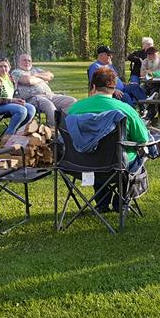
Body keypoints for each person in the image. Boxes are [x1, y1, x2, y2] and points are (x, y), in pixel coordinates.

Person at [66, 68, 153, 213]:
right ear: (114, 88)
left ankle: (102, 202)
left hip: (80, 164)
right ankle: (121, 201)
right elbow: (142, 139)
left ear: (93, 86)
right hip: (117, 165)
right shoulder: (125, 109)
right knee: (136, 155)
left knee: (99, 155)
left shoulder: (73, 109)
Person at [11, 54, 77, 128]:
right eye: (24, 60)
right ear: (19, 62)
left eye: (29, 61)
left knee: (71, 101)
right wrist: (43, 78)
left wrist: (36, 75)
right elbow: (28, 80)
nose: (27, 62)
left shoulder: (36, 70)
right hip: (33, 98)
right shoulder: (16, 72)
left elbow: (50, 75)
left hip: (50, 95)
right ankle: (56, 128)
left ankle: (68, 124)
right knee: (48, 104)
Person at [0, 58, 37, 135]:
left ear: (9, 68)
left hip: (8, 104)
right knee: (21, 110)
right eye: (0, 66)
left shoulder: (11, 79)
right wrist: (12, 101)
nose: (3, 69)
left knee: (31, 109)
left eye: (5, 66)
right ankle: (8, 136)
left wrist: (18, 100)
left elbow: (13, 95)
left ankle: (20, 132)